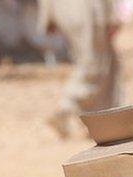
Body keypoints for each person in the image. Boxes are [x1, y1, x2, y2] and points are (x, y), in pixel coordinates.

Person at [37, 0, 121, 138]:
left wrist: (47, 16)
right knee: (96, 65)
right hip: (89, 11)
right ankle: (67, 106)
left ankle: (95, 122)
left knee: (88, 63)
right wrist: (110, 16)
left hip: (62, 10)